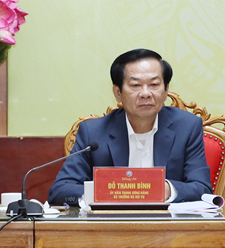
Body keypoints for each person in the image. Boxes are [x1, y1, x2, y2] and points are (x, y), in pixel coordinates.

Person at [48, 49, 213, 206]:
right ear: (118, 92)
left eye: (154, 84)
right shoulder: (93, 132)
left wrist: (167, 190)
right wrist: (114, 191)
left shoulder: (187, 127)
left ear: (166, 90)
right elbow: (60, 191)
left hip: (167, 224)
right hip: (112, 224)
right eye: (135, 85)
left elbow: (202, 188)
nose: (146, 93)